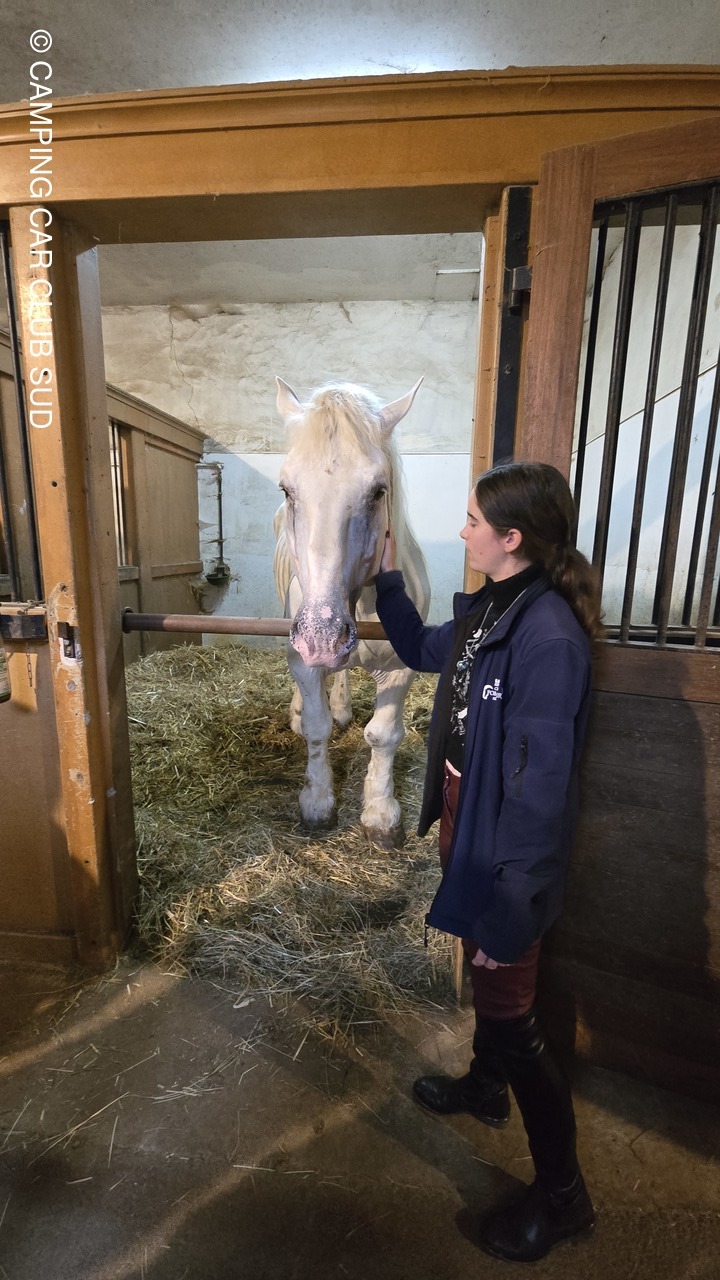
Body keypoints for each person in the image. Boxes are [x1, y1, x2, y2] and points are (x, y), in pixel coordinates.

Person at [374, 460, 602, 1264]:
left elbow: (539, 798)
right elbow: (419, 649)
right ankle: (483, 1086)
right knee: (484, 974)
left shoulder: (549, 639)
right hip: (467, 820)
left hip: (504, 842)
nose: (463, 530)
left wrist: (512, 909)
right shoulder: (490, 610)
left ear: (511, 538)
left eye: (474, 521)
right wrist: (387, 579)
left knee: (511, 1010)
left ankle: (564, 1197)